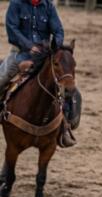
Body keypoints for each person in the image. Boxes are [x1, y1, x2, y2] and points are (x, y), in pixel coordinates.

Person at [0, 0, 81, 146]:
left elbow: (58, 30)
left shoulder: (49, 6)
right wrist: (29, 46)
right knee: (3, 77)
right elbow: (12, 30)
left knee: (68, 87)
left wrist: (55, 45)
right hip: (20, 54)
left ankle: (65, 126)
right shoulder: (16, 4)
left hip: (45, 55)